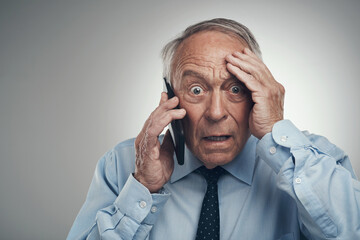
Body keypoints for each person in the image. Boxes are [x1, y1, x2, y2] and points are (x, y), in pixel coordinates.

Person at [67, 18, 359, 240]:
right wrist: (143, 186)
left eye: (235, 88)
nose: (216, 113)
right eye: (196, 89)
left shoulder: (313, 160)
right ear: (170, 98)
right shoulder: (122, 165)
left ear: (259, 93)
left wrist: (277, 132)